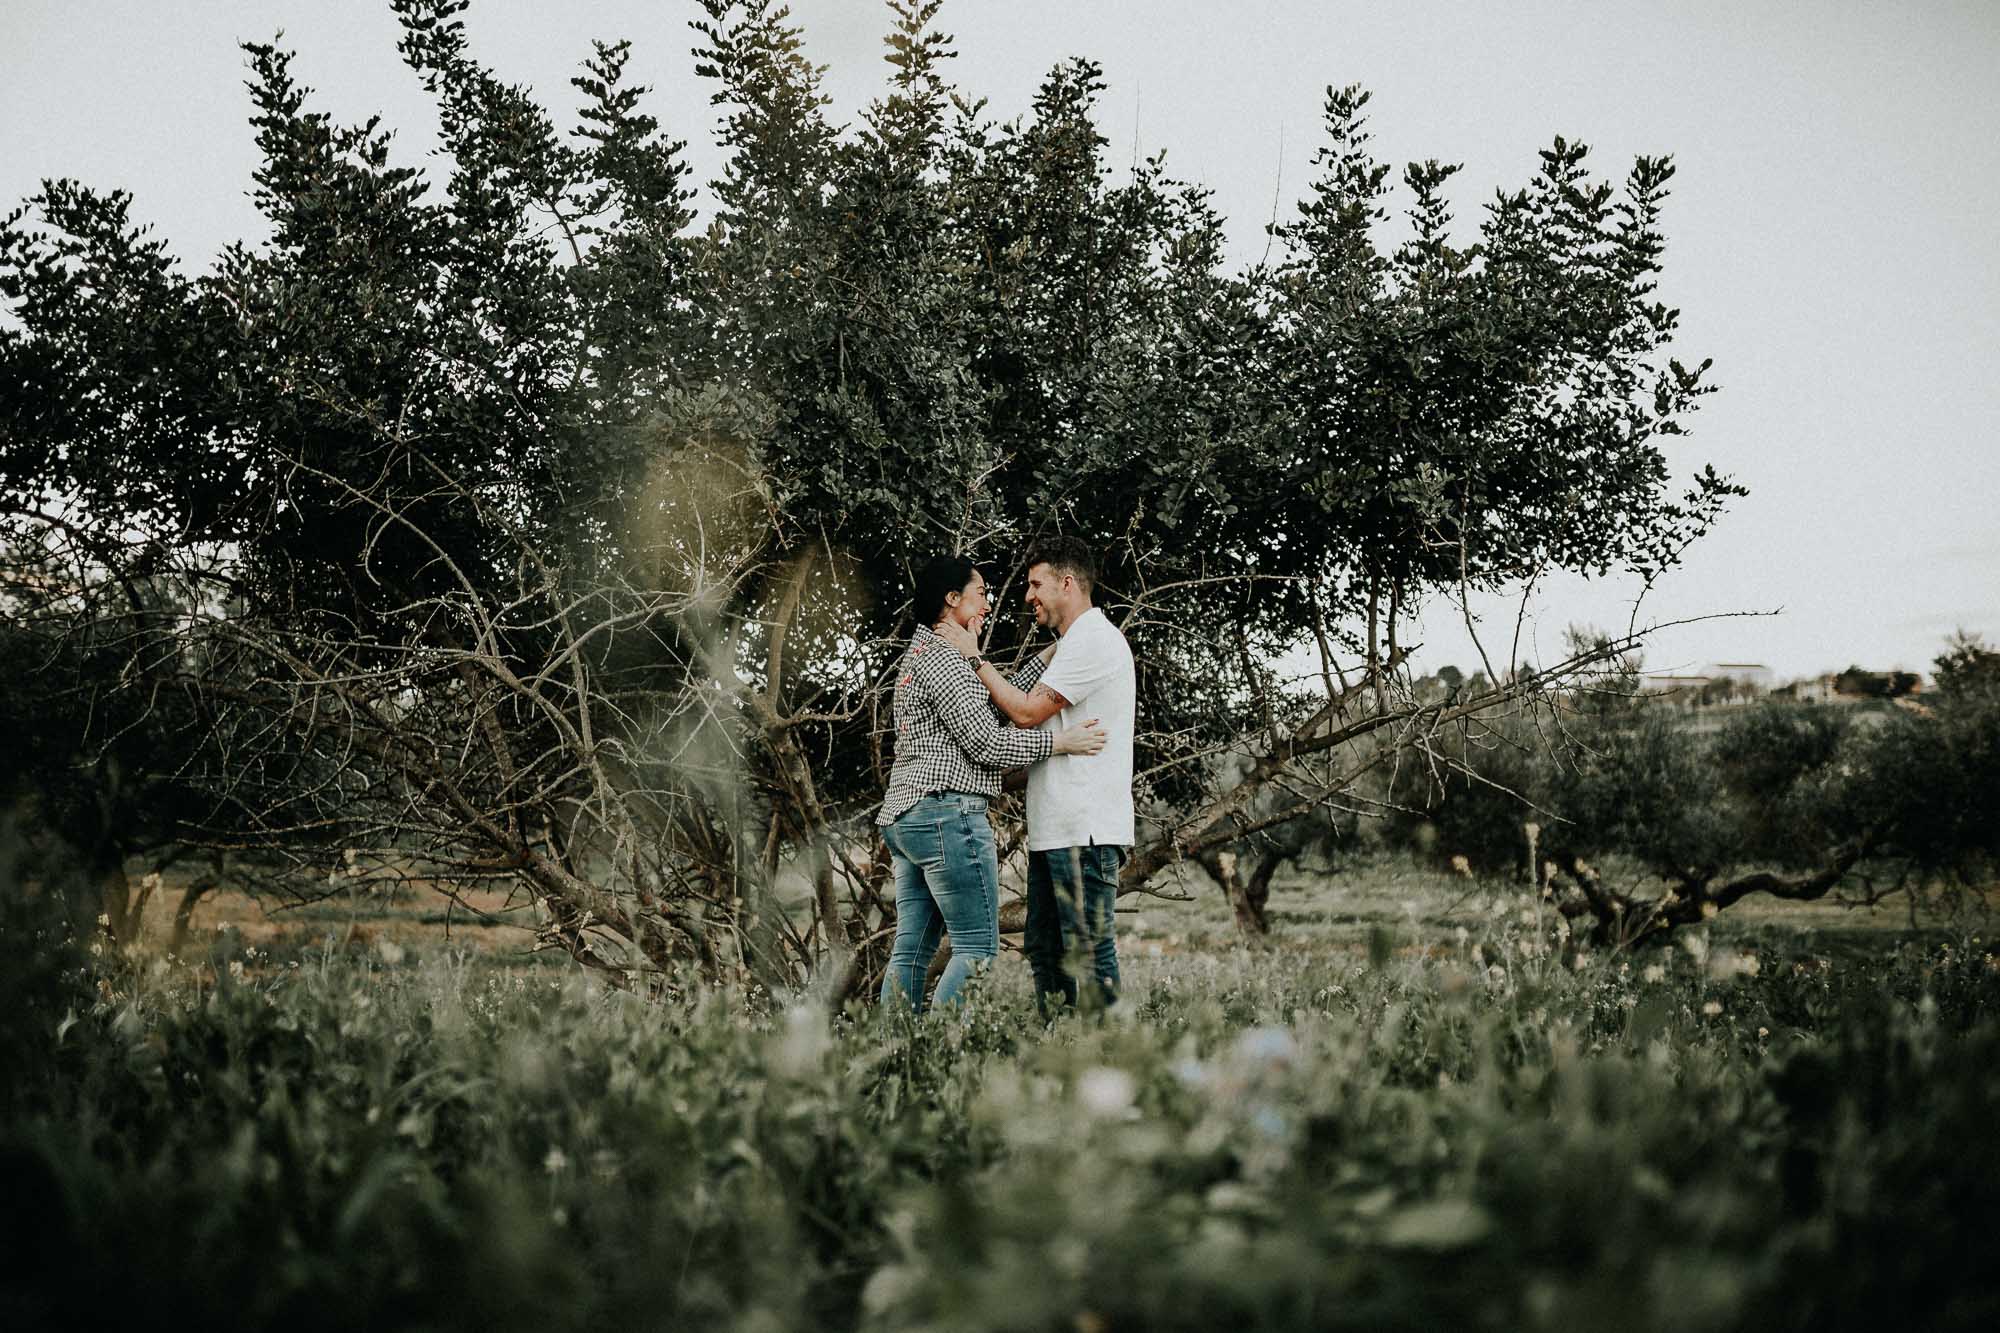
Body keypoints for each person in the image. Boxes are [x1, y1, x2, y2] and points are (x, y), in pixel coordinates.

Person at [876, 554, 1106, 1014]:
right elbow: (986, 742)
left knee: (912, 950)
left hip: (909, 819)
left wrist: (1058, 649)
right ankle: (933, 1056)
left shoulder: (931, 653)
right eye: (981, 594)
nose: (987, 604)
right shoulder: (943, 659)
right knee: (977, 947)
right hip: (945, 813)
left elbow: (994, 699)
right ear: (952, 599)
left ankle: (895, 1060)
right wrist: (1060, 742)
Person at [938, 536, 1134, 1012]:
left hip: (1084, 831)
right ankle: (1057, 1059)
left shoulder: (1093, 640)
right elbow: (1035, 731)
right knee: (1045, 954)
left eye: (1035, 585)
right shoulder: (1070, 646)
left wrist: (973, 656)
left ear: (1067, 584)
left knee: (1089, 956)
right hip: (1056, 832)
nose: (1029, 597)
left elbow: (1025, 713)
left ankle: (1107, 1067)